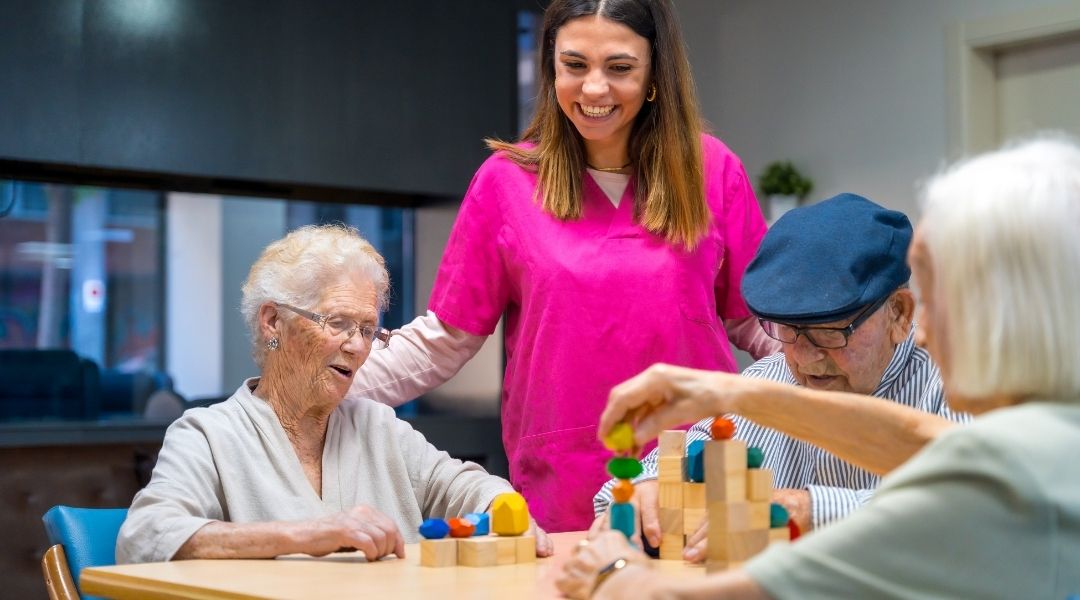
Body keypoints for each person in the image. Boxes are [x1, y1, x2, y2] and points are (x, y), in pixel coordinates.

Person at [556, 136, 1080, 599]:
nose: (925, 330)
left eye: (938, 298)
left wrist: (614, 574)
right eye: (788, 332)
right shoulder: (1050, 438)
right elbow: (933, 445)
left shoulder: (1010, 476)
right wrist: (728, 396)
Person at [349, 0, 778, 533]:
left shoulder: (712, 171)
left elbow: (757, 327)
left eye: (619, 68)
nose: (594, 89)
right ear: (552, 68)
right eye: (574, 65)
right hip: (563, 483)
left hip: (696, 473)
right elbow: (445, 339)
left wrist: (852, 395)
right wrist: (315, 390)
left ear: (653, 76)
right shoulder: (506, 182)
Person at [116, 224, 553, 564]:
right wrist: (307, 535)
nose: (358, 346)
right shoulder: (207, 436)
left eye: (367, 330)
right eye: (339, 323)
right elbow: (146, 535)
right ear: (273, 322)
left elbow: (464, 486)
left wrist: (502, 506)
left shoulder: (377, 426)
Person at [592, 193, 968, 556]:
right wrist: (645, 490)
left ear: (899, 314)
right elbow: (657, 473)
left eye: (830, 331)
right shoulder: (768, 379)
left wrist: (810, 510)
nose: (804, 358)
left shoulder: (956, 389)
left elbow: (971, 508)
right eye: (787, 329)